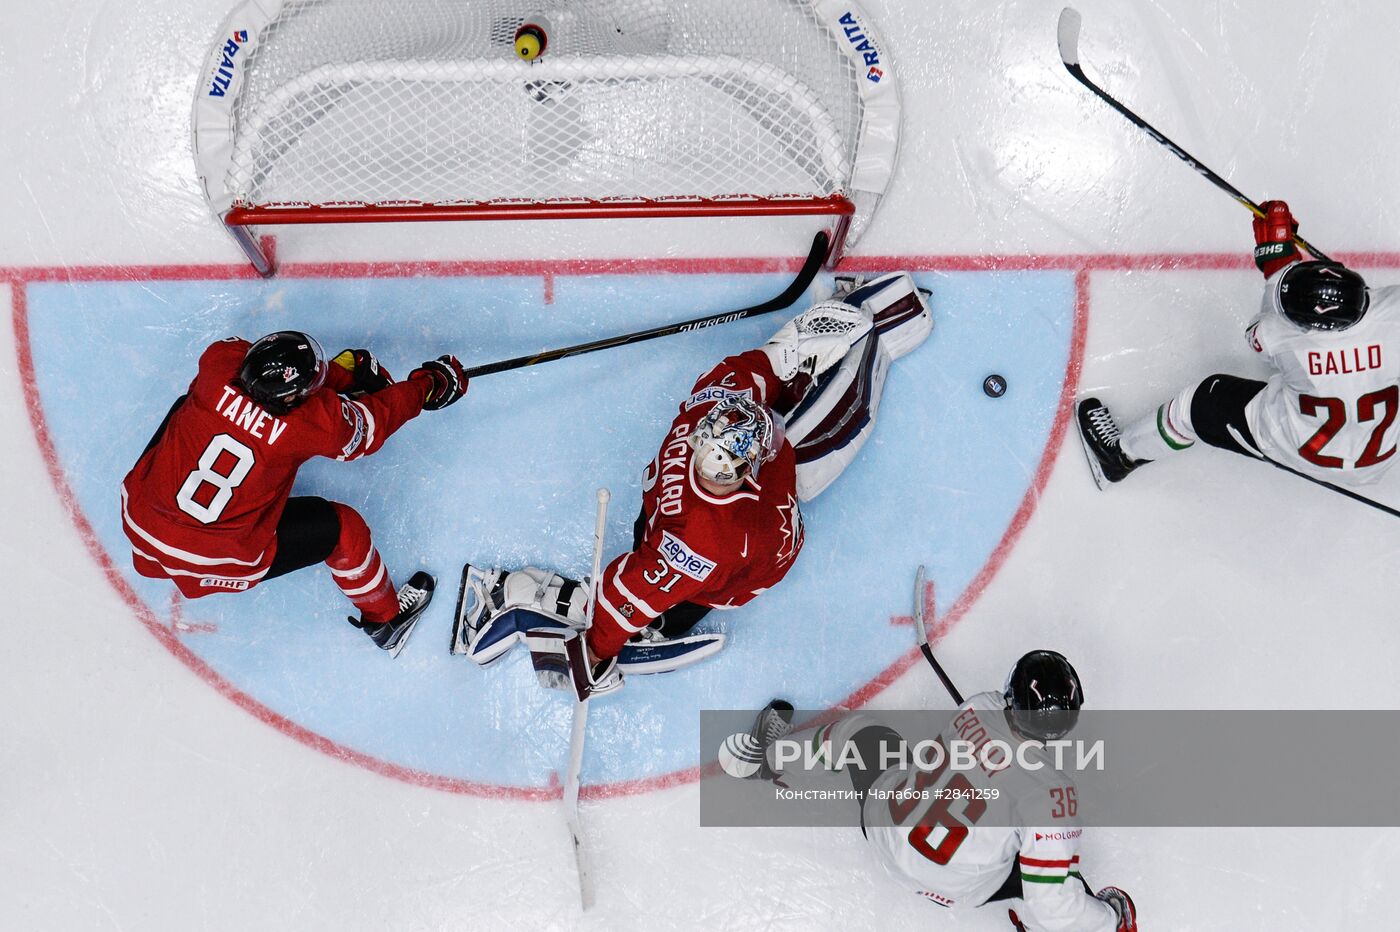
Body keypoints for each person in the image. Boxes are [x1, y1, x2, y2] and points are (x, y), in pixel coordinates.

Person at [452, 272, 934, 697]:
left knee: (796, 399)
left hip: (663, 513)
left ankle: (871, 324)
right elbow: (631, 595)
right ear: (748, 470)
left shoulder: (711, 406)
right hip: (734, 563)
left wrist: (792, 353)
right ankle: (887, 331)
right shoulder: (714, 542)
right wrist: (596, 652)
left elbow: (758, 366)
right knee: (836, 429)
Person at [121, 331, 467, 656]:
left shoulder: (218, 362)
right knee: (342, 528)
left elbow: (258, 366)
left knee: (189, 402)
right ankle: (386, 620)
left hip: (139, 523)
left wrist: (340, 374)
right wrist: (429, 385)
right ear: (291, 398)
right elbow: (371, 424)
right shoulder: (316, 424)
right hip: (218, 561)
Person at [748, 651, 1137, 932]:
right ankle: (1029, 922)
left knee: (859, 733)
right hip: (958, 887)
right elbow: (1056, 907)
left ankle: (768, 760)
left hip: (883, 826)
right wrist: (1113, 918)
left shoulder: (979, 705)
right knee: (1056, 877)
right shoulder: (1052, 795)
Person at [1078, 200, 1400, 489]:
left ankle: (1118, 458)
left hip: (1297, 441)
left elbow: (1258, 335)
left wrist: (1277, 259)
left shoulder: (1280, 335)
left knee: (1197, 406)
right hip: (1380, 459)